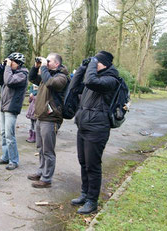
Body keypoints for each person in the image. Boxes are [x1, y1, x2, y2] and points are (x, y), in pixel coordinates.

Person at [71, 51, 119, 215]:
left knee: (93, 165)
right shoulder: (93, 78)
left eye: (96, 62)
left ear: (104, 64)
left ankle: (92, 200)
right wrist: (82, 67)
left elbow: (91, 81)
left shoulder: (110, 80)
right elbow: (74, 86)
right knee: (83, 162)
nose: (93, 64)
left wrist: (92, 64)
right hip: (84, 126)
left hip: (97, 129)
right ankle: (84, 194)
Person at [27, 53, 70, 188]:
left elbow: (51, 83)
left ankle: (47, 179)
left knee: (48, 150)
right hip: (41, 116)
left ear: (56, 64)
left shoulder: (61, 77)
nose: (46, 63)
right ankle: (41, 171)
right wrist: (36, 67)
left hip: (51, 119)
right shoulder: (47, 74)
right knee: (40, 147)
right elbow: (32, 78)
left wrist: (44, 68)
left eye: (49, 61)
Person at [0, 52, 28, 170]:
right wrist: (1, 69)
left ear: (17, 63)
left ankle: (14, 160)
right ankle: (5, 157)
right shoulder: (10, 72)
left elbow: (9, 81)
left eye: (11, 62)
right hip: (4, 107)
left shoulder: (22, 74)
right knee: (3, 133)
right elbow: (1, 81)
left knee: (9, 135)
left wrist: (7, 68)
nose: (9, 63)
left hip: (11, 108)